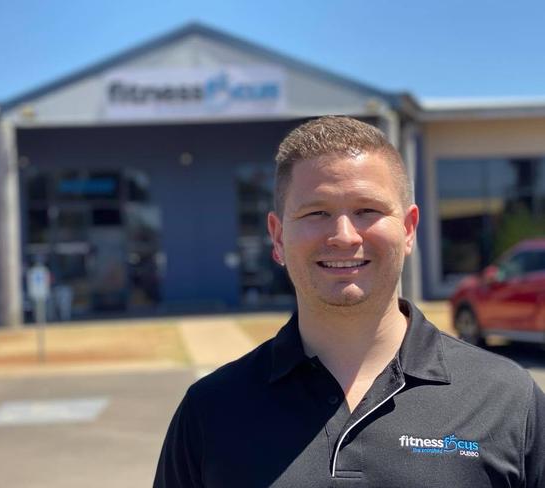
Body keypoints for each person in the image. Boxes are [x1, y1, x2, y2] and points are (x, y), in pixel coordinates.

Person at [154, 116, 545, 487]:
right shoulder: (212, 411)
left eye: (367, 211)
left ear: (409, 229)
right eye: (317, 212)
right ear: (277, 237)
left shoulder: (506, 398)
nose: (344, 236)